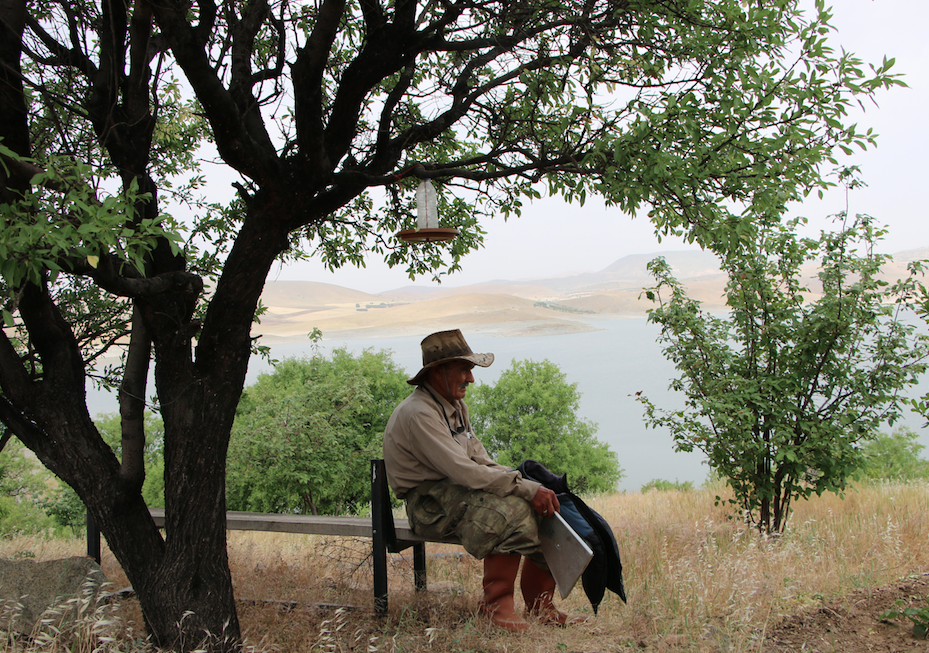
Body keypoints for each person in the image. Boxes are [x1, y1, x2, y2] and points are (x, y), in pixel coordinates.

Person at [383, 329, 584, 631]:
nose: (471, 378)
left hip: (455, 493)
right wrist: (524, 489)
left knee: (544, 508)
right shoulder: (419, 414)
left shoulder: (454, 406)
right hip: (428, 505)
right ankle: (496, 609)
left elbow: (481, 460)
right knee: (512, 514)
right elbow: (464, 471)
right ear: (438, 371)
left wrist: (524, 485)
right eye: (464, 369)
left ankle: (541, 606)